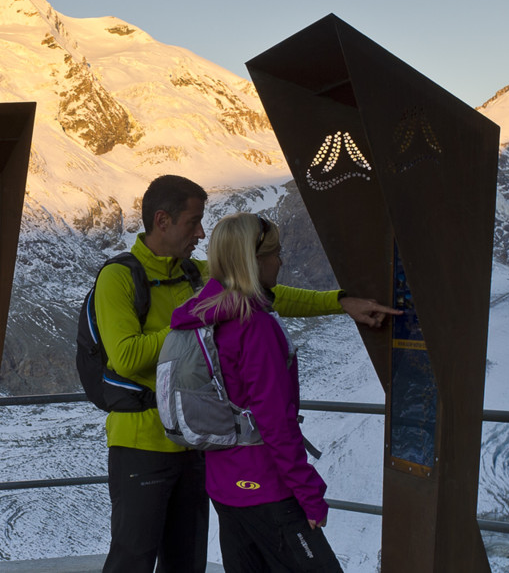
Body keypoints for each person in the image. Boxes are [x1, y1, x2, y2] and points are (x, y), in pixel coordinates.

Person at [95, 177, 397, 573]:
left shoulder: (199, 277)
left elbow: (267, 294)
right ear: (162, 220)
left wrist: (339, 302)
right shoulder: (120, 277)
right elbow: (126, 356)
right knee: (132, 561)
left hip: (204, 444)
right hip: (143, 443)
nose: (201, 232)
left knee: (186, 562)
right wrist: (200, 322)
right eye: (193, 222)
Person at [171, 213, 396, 572]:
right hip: (267, 486)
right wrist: (308, 495)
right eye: (274, 253)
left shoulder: (204, 315)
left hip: (224, 485)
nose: (280, 260)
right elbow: (275, 421)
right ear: (253, 261)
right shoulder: (254, 326)